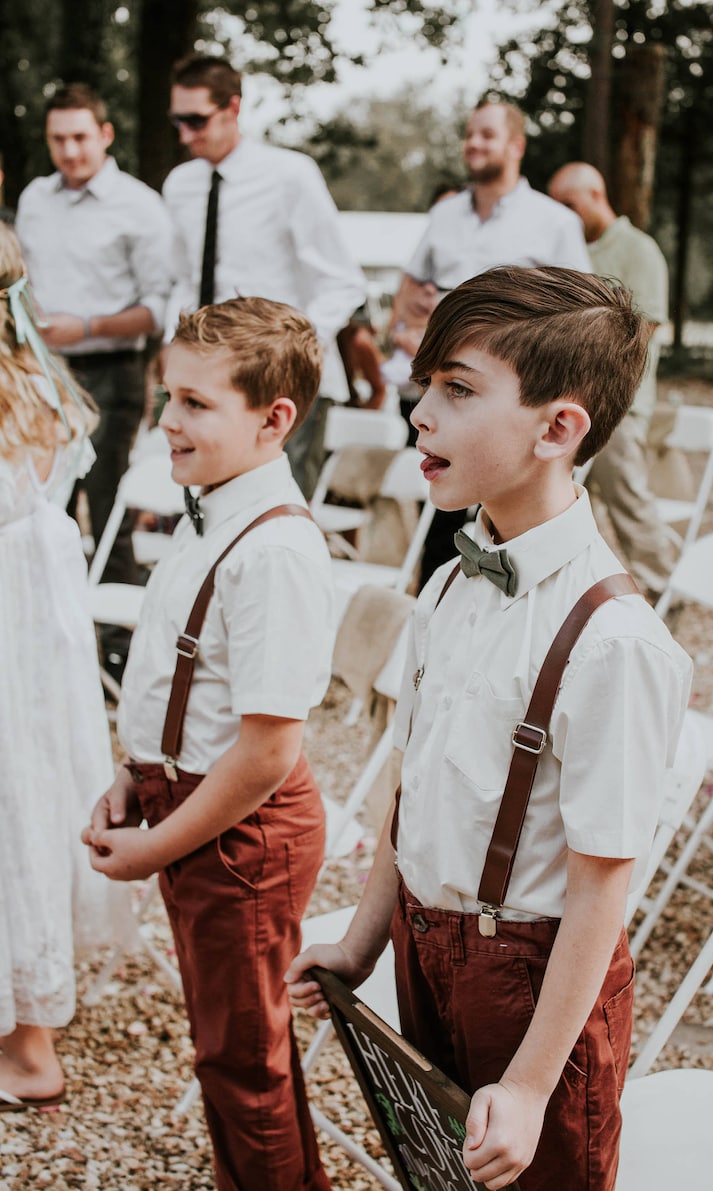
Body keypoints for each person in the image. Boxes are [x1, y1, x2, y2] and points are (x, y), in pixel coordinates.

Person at [286, 266, 693, 1191]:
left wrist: (531, 1080)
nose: (419, 412)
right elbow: (412, 782)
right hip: (426, 951)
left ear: (559, 429)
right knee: (439, 1173)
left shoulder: (613, 643)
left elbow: (602, 884)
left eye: (458, 389)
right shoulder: (446, 585)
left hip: (536, 989)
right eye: (425, 383)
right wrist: (364, 940)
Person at [82, 296, 335, 1191]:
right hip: (191, 805)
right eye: (165, 397)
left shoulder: (275, 552)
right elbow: (181, 681)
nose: (166, 421)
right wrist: (130, 774)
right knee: (230, 1043)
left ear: (274, 420)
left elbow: (267, 750)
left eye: (195, 402)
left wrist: (155, 843)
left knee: (241, 1057)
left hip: (242, 832)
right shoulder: (210, 512)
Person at [0, 224, 128, 1111]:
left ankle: (29, 1046)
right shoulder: (38, 384)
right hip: (36, 645)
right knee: (27, 796)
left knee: (10, 807)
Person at [387, 99, 592, 586]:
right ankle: (439, 606)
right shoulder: (444, 214)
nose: (474, 144)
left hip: (508, 396)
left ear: (516, 146)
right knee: (439, 503)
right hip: (438, 382)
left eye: (487, 135)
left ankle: (519, 606)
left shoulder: (554, 221)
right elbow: (410, 286)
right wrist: (405, 330)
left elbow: (581, 318)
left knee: (512, 504)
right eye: (470, 134)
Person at [15, 83, 173, 681]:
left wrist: (85, 327)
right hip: (41, 370)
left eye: (80, 136)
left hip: (113, 368)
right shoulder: (34, 197)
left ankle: (114, 648)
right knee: (35, 499)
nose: (69, 150)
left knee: (107, 506)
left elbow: (158, 307)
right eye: (58, 138)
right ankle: (43, 632)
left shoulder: (138, 205)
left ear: (105, 135)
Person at [163, 54, 366, 497]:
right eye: (177, 120)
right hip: (209, 378)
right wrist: (173, 345)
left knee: (280, 509)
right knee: (209, 510)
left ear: (232, 108)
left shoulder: (290, 175)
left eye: (196, 120)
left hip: (286, 380)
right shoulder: (179, 184)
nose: (185, 134)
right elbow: (181, 279)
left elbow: (343, 281)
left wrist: (288, 352)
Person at [548, 162, 678, 600]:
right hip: (571, 401)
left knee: (630, 507)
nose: (562, 214)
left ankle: (663, 593)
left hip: (620, 406)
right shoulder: (566, 247)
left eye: (569, 204)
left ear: (596, 196)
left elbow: (643, 332)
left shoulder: (638, 250)